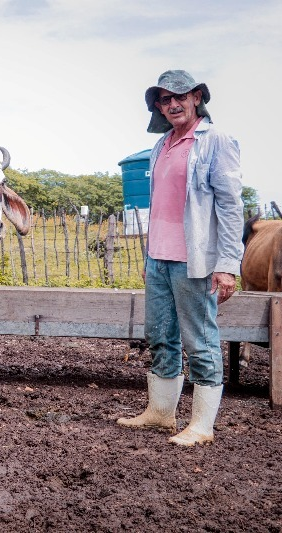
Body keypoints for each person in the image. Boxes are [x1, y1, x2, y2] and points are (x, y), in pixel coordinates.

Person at [117, 70, 244, 446]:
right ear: (158, 106)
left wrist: (226, 265)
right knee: (159, 336)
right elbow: (159, 206)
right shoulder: (162, 144)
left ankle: (202, 425)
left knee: (200, 338)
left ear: (197, 98)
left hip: (195, 260)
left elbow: (231, 205)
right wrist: (150, 253)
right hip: (159, 258)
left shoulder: (215, 140)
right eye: (165, 99)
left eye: (180, 96)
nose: (173, 104)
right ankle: (160, 413)